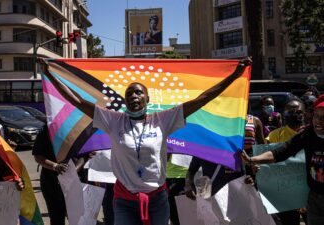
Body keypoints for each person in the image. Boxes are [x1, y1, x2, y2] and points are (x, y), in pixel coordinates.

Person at [38, 57, 250, 225]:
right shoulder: (113, 120)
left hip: (157, 199)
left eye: (139, 92)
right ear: (125, 99)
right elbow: (77, 100)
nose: (134, 96)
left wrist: (234, 76)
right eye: (129, 93)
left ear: (148, 99)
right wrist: (49, 74)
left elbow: (202, 99)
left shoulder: (163, 119)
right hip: (124, 200)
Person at [242, 94, 324, 225]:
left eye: (323, 117)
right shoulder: (307, 135)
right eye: (317, 116)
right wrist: (252, 160)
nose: (319, 121)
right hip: (313, 198)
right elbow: (280, 153)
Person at [32, 125, 85, 225]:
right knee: (56, 218)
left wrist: (74, 171)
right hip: (51, 183)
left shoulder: (79, 125)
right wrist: (55, 166)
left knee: (78, 219)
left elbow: (86, 154)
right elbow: (38, 156)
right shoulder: (46, 128)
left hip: (76, 182)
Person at [265, 98, 306, 225]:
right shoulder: (274, 136)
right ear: (284, 114)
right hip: (285, 192)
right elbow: (267, 162)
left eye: (298, 111)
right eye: (290, 112)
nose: (294, 114)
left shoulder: (312, 133)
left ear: (304, 113)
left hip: (310, 192)